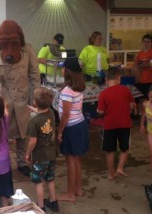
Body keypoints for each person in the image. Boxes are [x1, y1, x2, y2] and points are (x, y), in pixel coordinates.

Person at [0, 20, 40, 177]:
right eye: (4, 43)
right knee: (1, 132)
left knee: (24, 132)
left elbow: (34, 75)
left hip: (24, 97)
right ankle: (2, 162)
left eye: (14, 42)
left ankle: (22, 162)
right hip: (5, 98)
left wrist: (35, 96)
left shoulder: (28, 51)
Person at [57, 57, 89, 202]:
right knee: (76, 159)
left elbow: (65, 114)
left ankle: (70, 194)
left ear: (68, 71)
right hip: (80, 124)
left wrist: (59, 131)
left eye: (63, 68)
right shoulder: (78, 87)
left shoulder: (67, 90)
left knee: (70, 160)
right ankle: (78, 188)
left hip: (71, 127)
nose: (61, 70)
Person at [97, 67, 135, 180]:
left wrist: (98, 112)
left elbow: (100, 111)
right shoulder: (126, 90)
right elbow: (132, 105)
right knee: (125, 148)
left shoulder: (103, 94)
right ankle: (120, 168)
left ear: (106, 80)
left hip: (109, 125)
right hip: (125, 124)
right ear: (119, 78)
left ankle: (111, 173)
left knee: (110, 150)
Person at [26, 87, 59, 212]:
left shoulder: (34, 122)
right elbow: (42, 112)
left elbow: (33, 141)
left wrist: (27, 154)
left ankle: (41, 207)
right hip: (51, 154)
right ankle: (53, 202)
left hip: (40, 157)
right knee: (50, 179)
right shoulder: (50, 112)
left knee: (38, 181)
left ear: (35, 102)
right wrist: (32, 108)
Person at [132, 34, 152, 117]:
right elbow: (136, 65)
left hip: (151, 80)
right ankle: (142, 115)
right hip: (142, 79)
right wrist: (137, 69)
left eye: (148, 42)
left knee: (151, 99)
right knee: (142, 99)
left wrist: (148, 64)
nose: (146, 43)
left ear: (151, 43)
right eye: (145, 41)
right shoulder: (140, 53)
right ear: (142, 42)